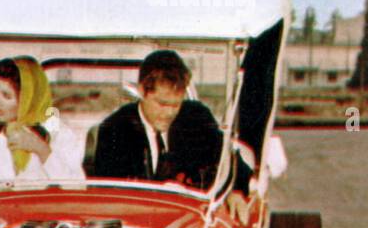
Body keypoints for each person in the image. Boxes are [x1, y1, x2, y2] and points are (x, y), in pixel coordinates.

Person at [90, 50, 250, 218]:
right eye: (162, 104)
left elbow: (232, 163)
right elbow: (110, 199)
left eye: (175, 105)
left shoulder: (196, 118)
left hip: (188, 221)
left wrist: (236, 191)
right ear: (142, 91)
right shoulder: (114, 130)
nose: (169, 113)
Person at [0, 57, 84, 183]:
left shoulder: (61, 134)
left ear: (28, 98)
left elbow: (76, 185)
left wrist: (41, 149)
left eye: (6, 96)